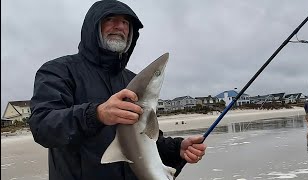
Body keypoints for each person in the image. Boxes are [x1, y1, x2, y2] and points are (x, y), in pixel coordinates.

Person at [28, 1, 206, 180]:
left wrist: (177, 149)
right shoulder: (59, 71)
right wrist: (96, 114)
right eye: (110, 19)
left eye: (126, 23)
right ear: (93, 26)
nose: (120, 26)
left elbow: (145, 140)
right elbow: (43, 126)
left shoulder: (131, 80)